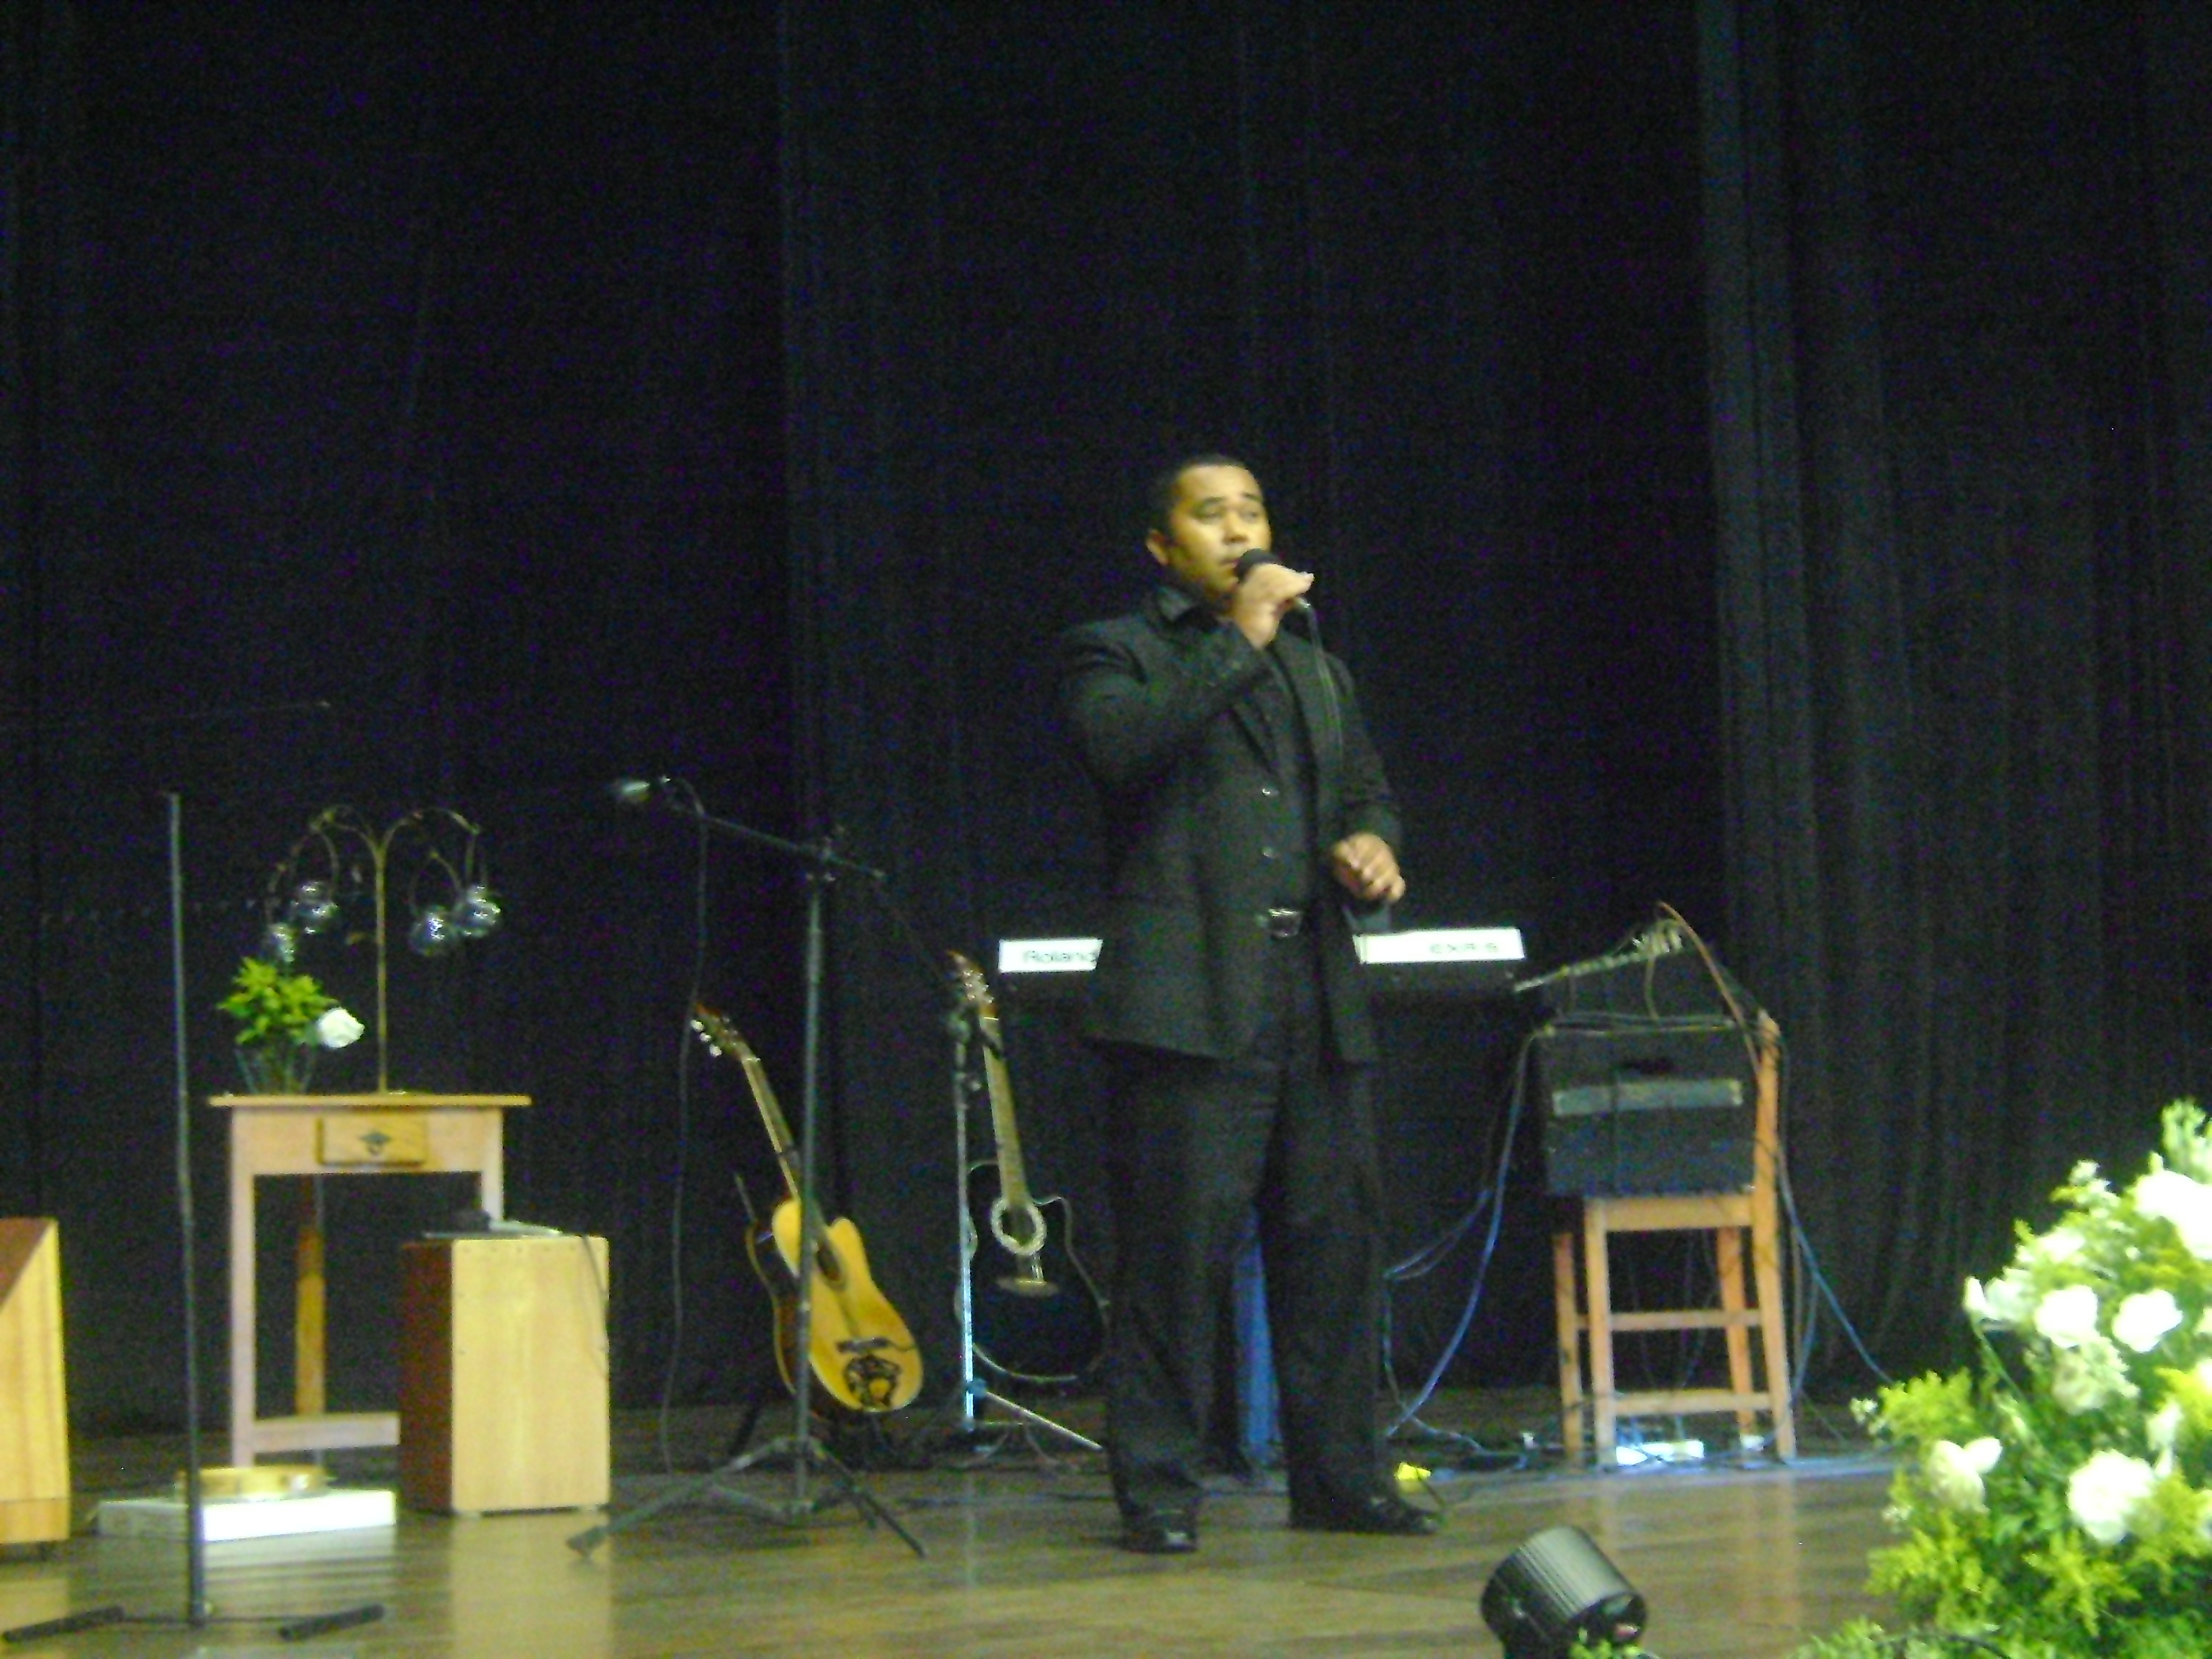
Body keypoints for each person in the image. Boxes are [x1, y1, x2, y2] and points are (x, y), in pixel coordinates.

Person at [1056, 454, 1436, 1554]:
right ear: (1162, 546)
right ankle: (1160, 1491)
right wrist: (1243, 635)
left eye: (1252, 510)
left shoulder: (1319, 668)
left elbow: (1368, 795)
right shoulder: (1115, 652)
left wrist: (1373, 847)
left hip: (1312, 990)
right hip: (1187, 999)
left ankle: (1339, 1478)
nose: (1237, 529)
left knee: (1332, 1250)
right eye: (1210, 515)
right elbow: (1124, 749)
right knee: (1176, 1260)